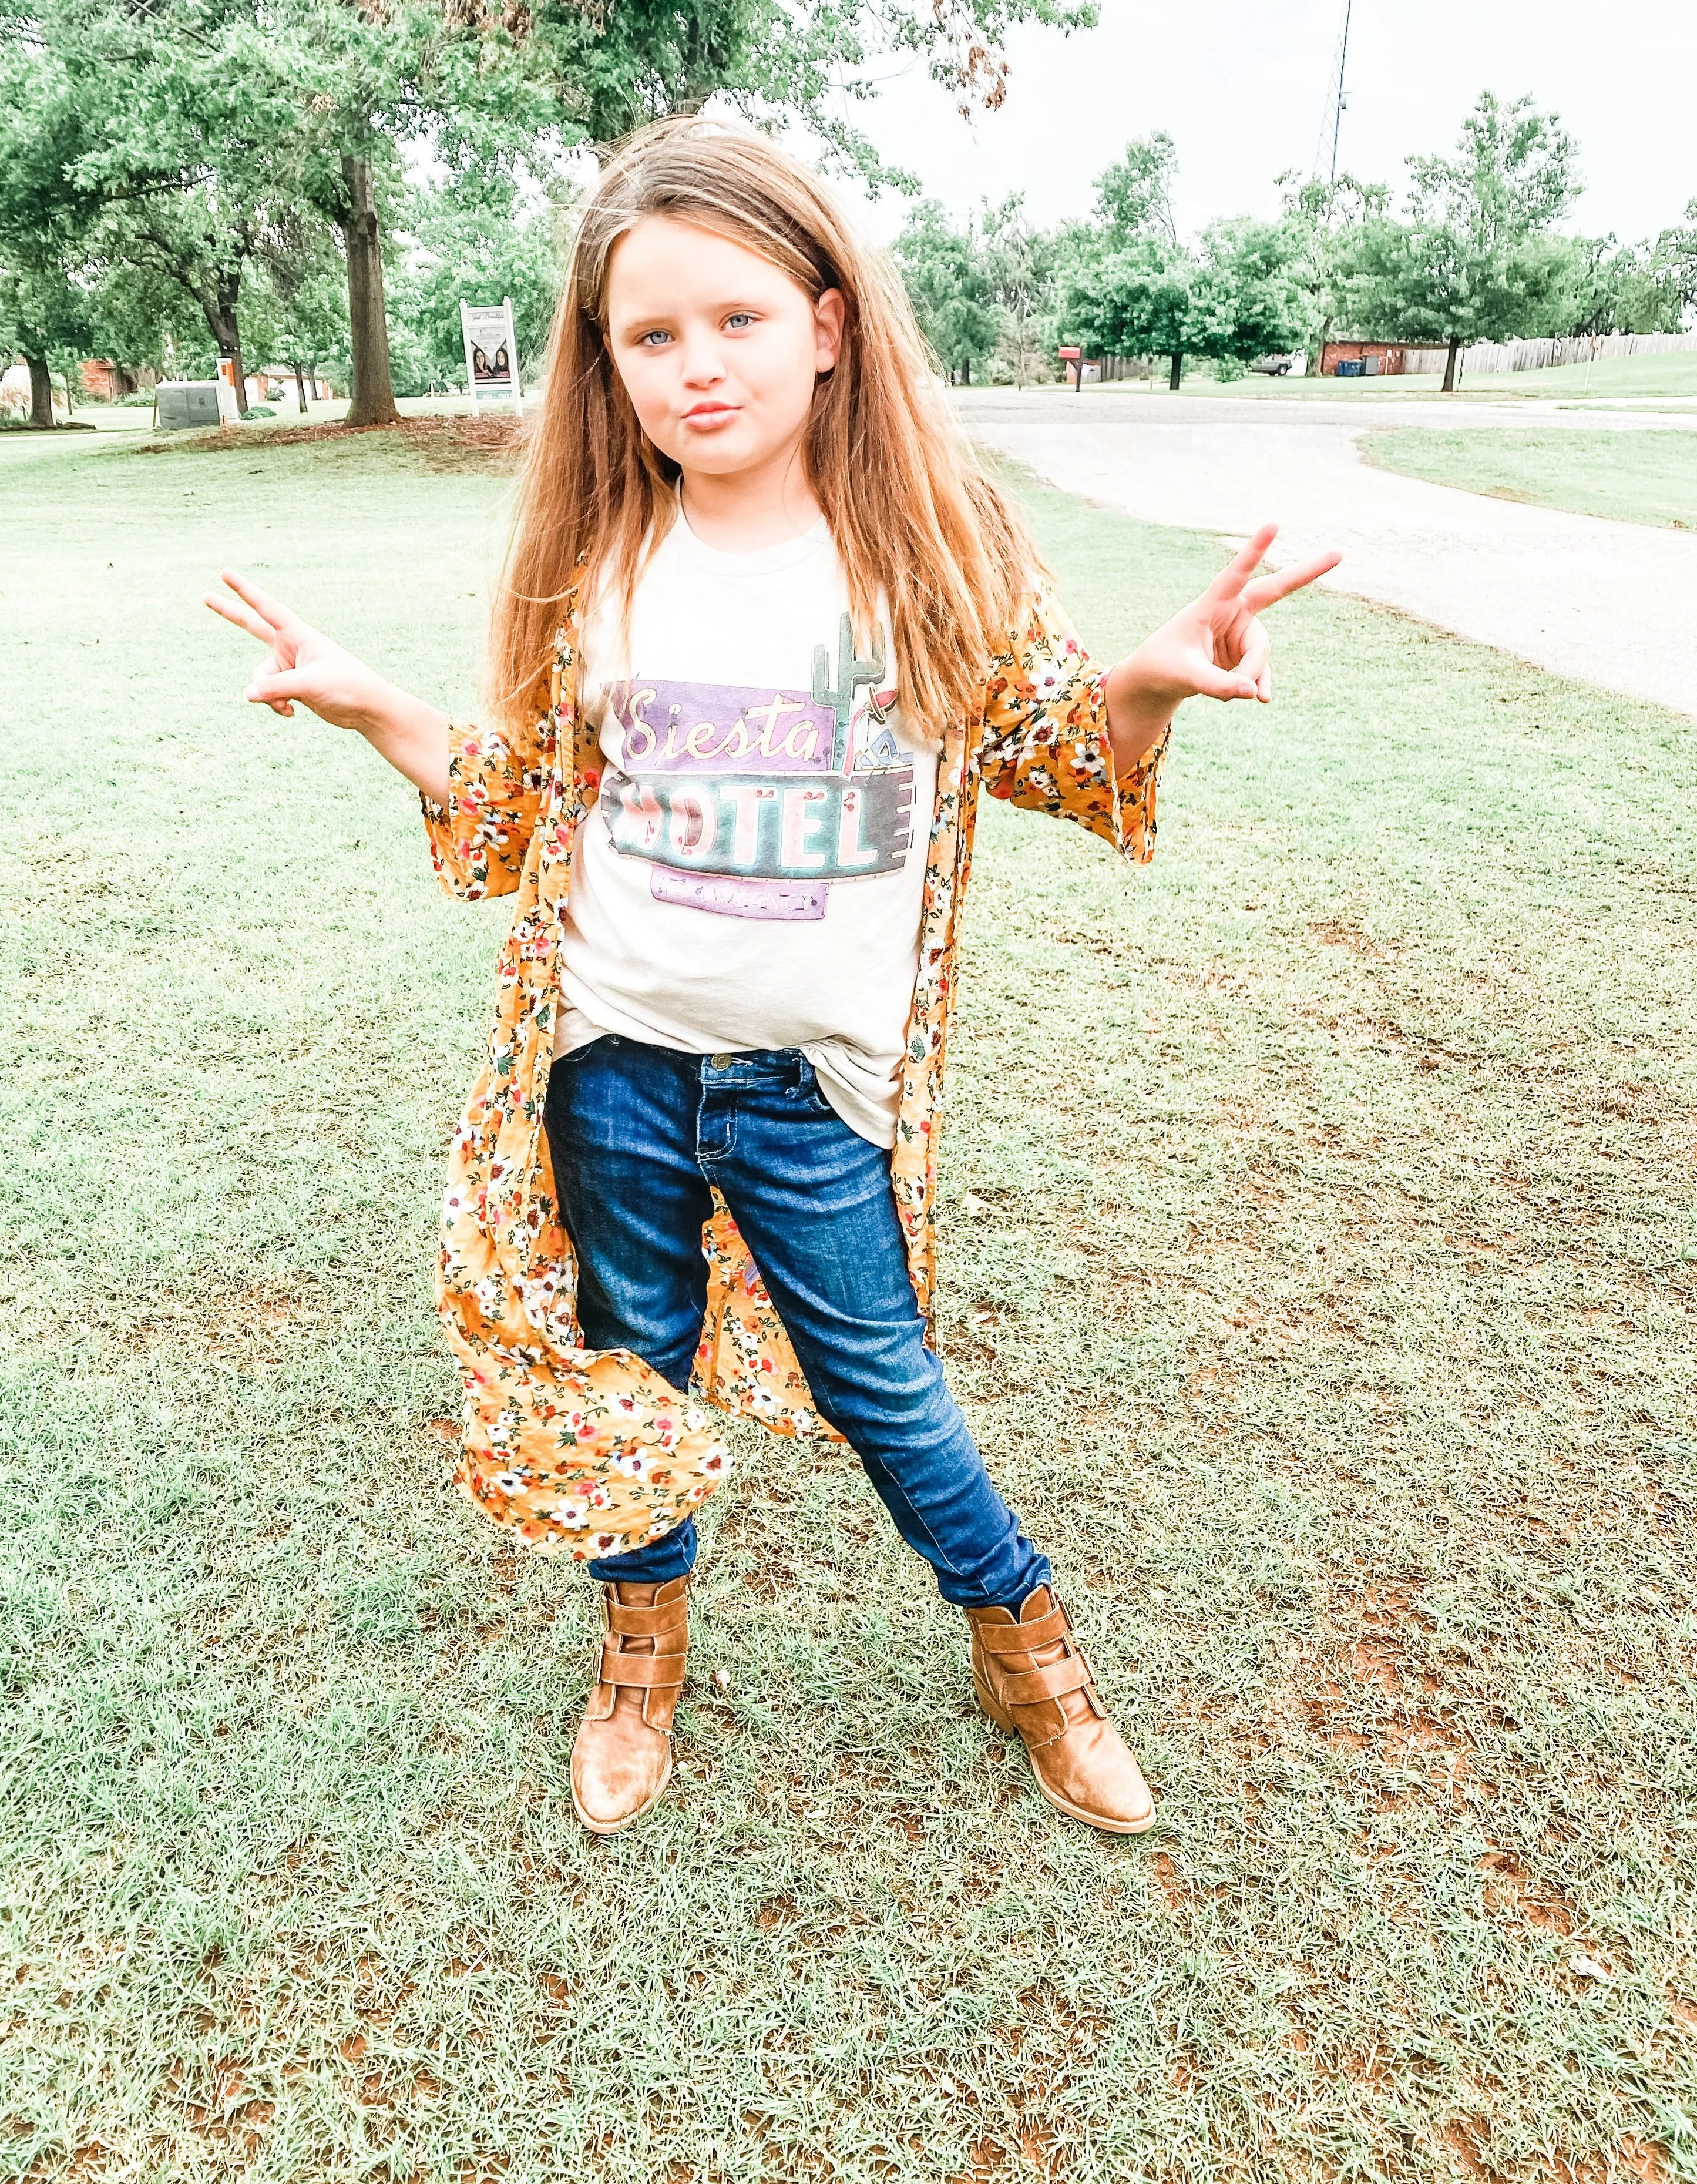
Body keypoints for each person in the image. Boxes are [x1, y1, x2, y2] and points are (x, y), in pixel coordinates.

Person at [206, 118, 1337, 1838]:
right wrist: (377, 706)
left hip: (817, 1089)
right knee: (630, 1371)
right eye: (648, 336)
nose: (695, 366)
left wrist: (1151, 683)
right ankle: (641, 1654)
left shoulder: (931, 555)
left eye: (735, 319)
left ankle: (1027, 1646)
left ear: (827, 324)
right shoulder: (597, 571)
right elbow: (514, 809)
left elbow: (1054, 751)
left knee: (884, 1381)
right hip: (613, 1067)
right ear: (607, 365)